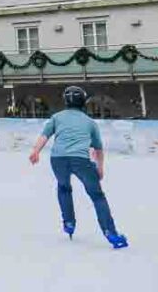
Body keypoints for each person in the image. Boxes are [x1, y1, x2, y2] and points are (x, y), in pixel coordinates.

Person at [28, 86, 128, 249]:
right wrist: (100, 167)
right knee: (97, 196)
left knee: (64, 188)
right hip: (81, 160)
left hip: (58, 159)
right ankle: (111, 233)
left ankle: (69, 223)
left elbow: (44, 135)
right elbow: (98, 149)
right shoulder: (90, 122)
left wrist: (35, 151)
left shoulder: (56, 117)